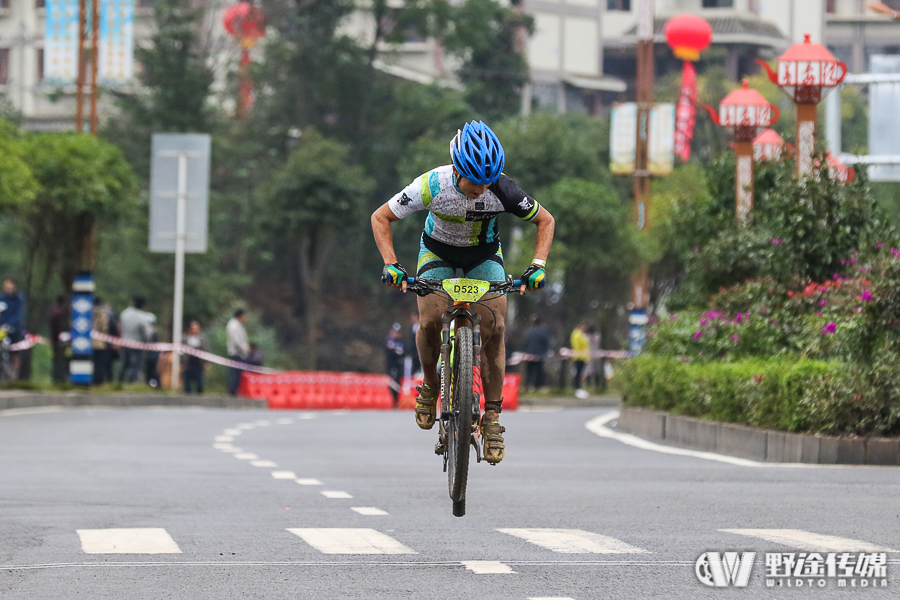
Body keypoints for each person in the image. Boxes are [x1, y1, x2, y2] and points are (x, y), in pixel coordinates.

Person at [371, 120, 555, 464]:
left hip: (483, 256)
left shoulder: (503, 189)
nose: (481, 188)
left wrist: (538, 264)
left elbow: (546, 221)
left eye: (488, 181)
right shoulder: (431, 185)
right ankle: (428, 386)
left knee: (496, 328)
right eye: (473, 180)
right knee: (428, 321)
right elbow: (380, 217)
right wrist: (391, 264)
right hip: (437, 252)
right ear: (457, 169)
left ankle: (493, 420)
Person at [118, 296, 150, 383]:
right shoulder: (142, 317)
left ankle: (120, 381)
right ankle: (132, 381)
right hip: (137, 343)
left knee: (125, 363)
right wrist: (146, 341)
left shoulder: (125, 313)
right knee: (135, 364)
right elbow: (146, 333)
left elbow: (120, 327)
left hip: (125, 342)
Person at [0, 277, 27, 378]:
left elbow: (18, 315)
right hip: (2, 330)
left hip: (15, 329)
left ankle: (14, 375)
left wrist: (9, 324)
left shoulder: (19, 299)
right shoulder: (1, 298)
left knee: (15, 353)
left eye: (9, 284)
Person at [521, 314, 551, 391]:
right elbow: (546, 342)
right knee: (539, 371)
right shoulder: (543, 331)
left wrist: (525, 351)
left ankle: (527, 385)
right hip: (539, 355)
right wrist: (546, 351)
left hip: (529, 354)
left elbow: (525, 342)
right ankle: (538, 386)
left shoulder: (528, 331)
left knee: (529, 370)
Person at [226, 309, 249, 395]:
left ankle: (236, 390)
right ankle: (233, 391)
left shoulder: (237, 325)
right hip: (236, 353)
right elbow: (236, 341)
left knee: (238, 374)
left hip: (239, 353)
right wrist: (245, 349)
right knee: (235, 374)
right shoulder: (234, 326)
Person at [182, 320, 209, 394]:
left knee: (199, 379)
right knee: (187, 379)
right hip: (188, 361)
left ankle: (200, 393)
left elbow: (205, 350)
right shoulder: (185, 338)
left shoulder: (201, 339)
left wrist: (206, 362)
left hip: (198, 362)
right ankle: (187, 393)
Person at [91, 296, 112, 385]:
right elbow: (104, 328)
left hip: (87, 343)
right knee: (99, 364)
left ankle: (89, 381)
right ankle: (98, 382)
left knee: (90, 363)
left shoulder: (86, 312)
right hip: (99, 343)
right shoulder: (102, 313)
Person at [49, 295, 68, 384]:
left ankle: (56, 379)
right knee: (59, 361)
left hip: (54, 340)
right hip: (58, 341)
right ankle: (59, 379)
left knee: (56, 360)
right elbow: (58, 328)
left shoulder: (54, 311)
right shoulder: (60, 313)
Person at [385, 323, 404, 407]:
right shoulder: (389, 341)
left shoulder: (400, 342)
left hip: (399, 365)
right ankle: (393, 400)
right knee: (393, 383)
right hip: (392, 366)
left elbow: (403, 352)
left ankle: (397, 400)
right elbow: (390, 353)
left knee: (398, 382)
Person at [570, 322, 591, 399]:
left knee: (580, 374)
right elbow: (579, 346)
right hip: (579, 357)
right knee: (578, 374)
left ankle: (579, 388)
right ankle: (577, 388)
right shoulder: (577, 335)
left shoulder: (579, 334)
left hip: (582, 356)